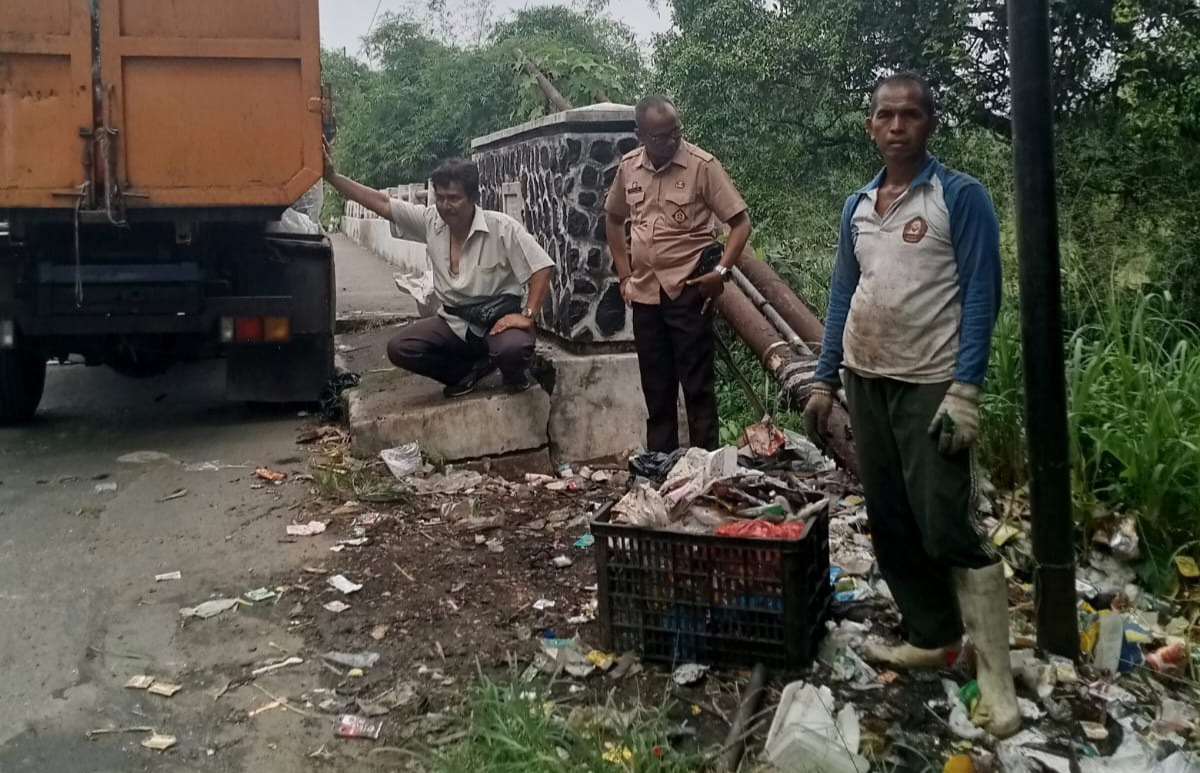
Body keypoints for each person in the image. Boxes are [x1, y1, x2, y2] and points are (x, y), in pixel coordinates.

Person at [804, 73, 1018, 738]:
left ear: (930, 123)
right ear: (870, 125)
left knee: (945, 520)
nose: (897, 126)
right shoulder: (859, 206)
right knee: (891, 517)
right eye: (886, 115)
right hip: (866, 379)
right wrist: (824, 378)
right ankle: (933, 636)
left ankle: (997, 679)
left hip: (931, 382)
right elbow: (844, 293)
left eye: (911, 114)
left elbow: (981, 293)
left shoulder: (958, 196)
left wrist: (967, 387)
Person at [323, 146, 554, 397]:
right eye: (440, 197)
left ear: (473, 197)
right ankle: (467, 373)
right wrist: (332, 176)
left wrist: (527, 315)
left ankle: (513, 376)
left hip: (498, 320)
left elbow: (542, 266)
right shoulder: (431, 221)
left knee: (512, 350)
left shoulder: (501, 227)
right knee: (401, 348)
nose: (445, 205)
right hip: (455, 322)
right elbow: (382, 203)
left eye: (454, 198)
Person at [604, 95, 752, 452]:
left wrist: (721, 271)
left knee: (698, 388)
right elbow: (613, 217)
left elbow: (741, 223)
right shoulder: (629, 168)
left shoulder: (701, 166)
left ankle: (706, 465)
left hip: (689, 290)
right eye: (660, 136)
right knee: (656, 388)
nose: (671, 141)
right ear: (640, 135)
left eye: (676, 132)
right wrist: (624, 276)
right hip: (645, 294)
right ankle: (661, 465)